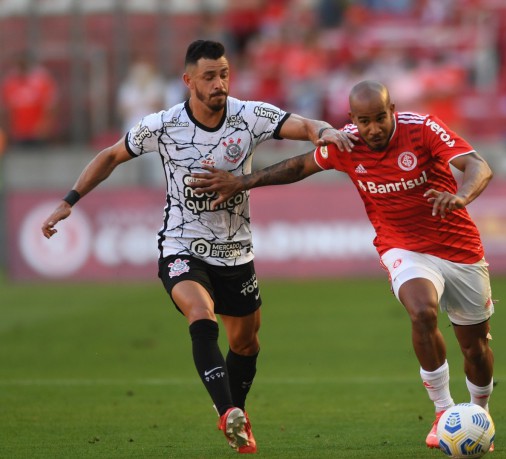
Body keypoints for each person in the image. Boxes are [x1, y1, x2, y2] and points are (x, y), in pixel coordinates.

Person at [40, 40, 354, 454]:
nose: (219, 82)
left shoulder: (249, 116)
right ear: (189, 81)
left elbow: (305, 126)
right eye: (209, 76)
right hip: (181, 246)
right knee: (200, 313)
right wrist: (68, 201)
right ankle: (225, 411)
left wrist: (326, 130)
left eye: (224, 73)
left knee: (246, 343)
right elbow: (112, 155)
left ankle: (236, 415)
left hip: (236, 251)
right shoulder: (164, 125)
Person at [189, 80, 496, 450]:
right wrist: (243, 182)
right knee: (422, 312)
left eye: (380, 118)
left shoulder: (422, 129)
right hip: (403, 247)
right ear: (352, 119)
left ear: (392, 109)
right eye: (364, 121)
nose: (373, 128)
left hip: (459, 248)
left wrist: (461, 196)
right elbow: (299, 166)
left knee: (475, 349)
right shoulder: (347, 143)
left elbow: (478, 166)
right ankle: (443, 412)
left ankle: (479, 416)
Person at [0, 55, 57, 147]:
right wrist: (8, 130)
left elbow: (51, 106)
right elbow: (6, 109)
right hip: (18, 132)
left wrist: (45, 127)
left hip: (38, 132)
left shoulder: (42, 80)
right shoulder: (10, 82)